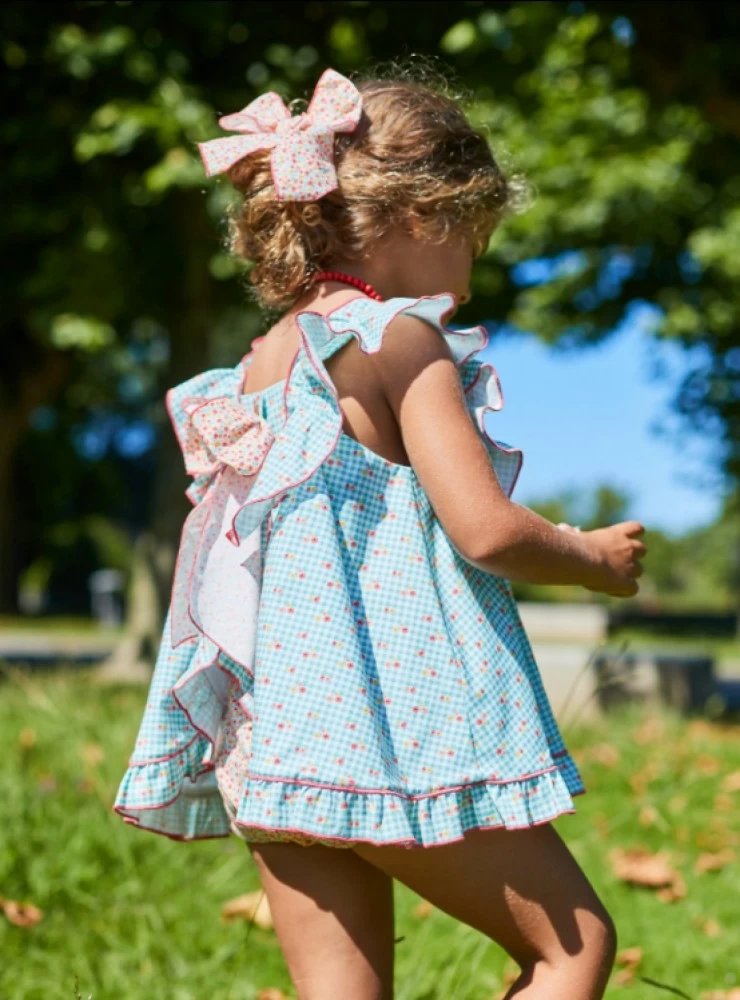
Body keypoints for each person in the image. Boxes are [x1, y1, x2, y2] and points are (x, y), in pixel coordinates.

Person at [114, 66, 647, 999]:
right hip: (383, 731)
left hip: (274, 737)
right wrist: (591, 556)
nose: (475, 270)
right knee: (573, 949)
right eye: (476, 238)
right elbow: (484, 530)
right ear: (421, 217)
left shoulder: (261, 362)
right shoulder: (400, 339)